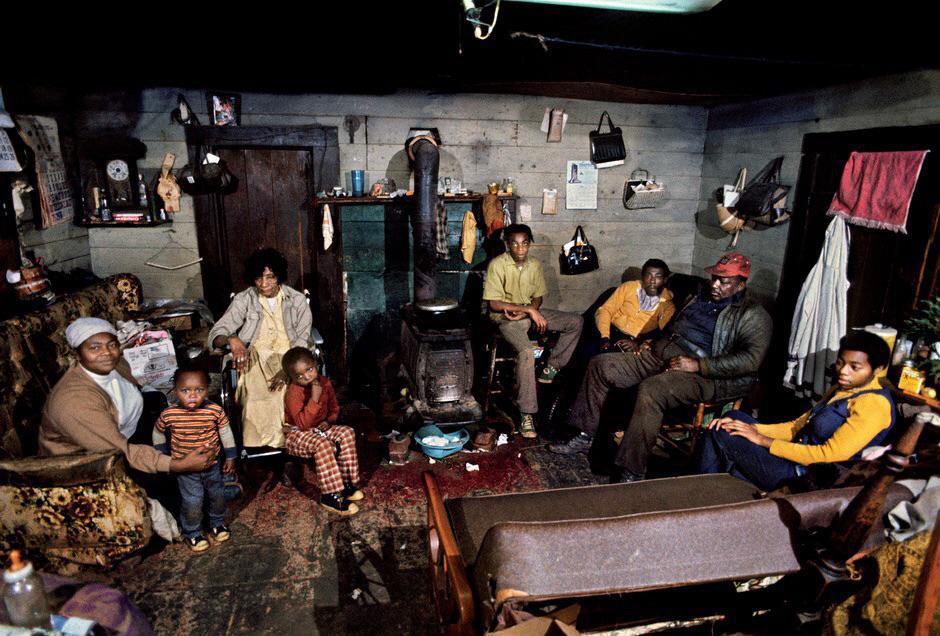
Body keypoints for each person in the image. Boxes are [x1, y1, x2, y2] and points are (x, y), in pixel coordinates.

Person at [550, 252, 772, 483]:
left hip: (706, 375)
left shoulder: (754, 316)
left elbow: (750, 361)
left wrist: (699, 365)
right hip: (661, 355)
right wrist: (650, 342)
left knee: (652, 389)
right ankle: (585, 434)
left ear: (740, 284)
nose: (715, 284)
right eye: (714, 277)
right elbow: (673, 326)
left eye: (723, 281)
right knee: (601, 364)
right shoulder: (700, 297)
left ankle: (633, 468)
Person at [697, 331, 895, 491]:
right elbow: (797, 426)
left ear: (878, 369)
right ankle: (716, 484)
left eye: (855, 367)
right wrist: (753, 428)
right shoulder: (842, 389)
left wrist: (761, 439)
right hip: (794, 458)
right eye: (841, 362)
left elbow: (829, 456)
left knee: (722, 433)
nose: (843, 371)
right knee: (731, 418)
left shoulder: (874, 405)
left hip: (807, 478)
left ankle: (702, 488)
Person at [39, 317, 215, 476]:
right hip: (90, 463)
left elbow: (138, 389)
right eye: (94, 347)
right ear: (77, 354)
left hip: (130, 431)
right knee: (168, 474)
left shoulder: (116, 365)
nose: (106, 352)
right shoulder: (75, 401)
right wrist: (177, 465)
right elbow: (120, 452)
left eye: (111, 345)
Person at [482, 224, 583, 438]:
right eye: (515, 244)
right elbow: (493, 304)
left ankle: (552, 367)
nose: (520, 248)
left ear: (529, 244)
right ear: (507, 244)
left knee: (575, 321)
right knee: (526, 352)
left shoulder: (535, 265)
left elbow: (538, 297)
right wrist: (525, 310)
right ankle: (526, 413)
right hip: (506, 319)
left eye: (525, 243)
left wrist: (532, 309)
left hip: (529, 312)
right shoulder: (497, 265)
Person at [208, 248, 312, 449]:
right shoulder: (244, 299)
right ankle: (261, 450)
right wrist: (232, 339)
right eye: (258, 278)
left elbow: (303, 337)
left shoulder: (297, 300)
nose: (264, 284)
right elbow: (216, 334)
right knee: (254, 401)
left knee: (286, 397)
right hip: (255, 358)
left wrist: (288, 370)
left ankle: (289, 448)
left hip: (291, 357)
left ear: (279, 276)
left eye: (270, 277)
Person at [153, 369, 237, 552]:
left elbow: (225, 433)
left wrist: (230, 456)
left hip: (212, 464)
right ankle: (192, 532)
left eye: (199, 390)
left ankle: (217, 523)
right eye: (185, 391)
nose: (192, 396)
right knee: (193, 500)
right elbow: (158, 432)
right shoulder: (169, 414)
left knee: (217, 495)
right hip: (186, 469)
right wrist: (161, 455)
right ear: (176, 391)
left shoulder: (214, 410)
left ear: (207, 390)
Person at [282, 347, 362, 516]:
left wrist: (329, 421)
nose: (307, 376)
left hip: (319, 428)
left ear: (315, 364)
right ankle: (330, 496)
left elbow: (334, 408)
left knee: (347, 432)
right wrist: (314, 398)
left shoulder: (325, 382)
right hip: (297, 434)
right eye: (299, 376)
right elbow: (303, 424)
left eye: (309, 369)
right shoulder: (293, 393)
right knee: (322, 444)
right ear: (292, 378)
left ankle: (347, 485)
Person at [592, 259, 675, 356]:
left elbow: (663, 334)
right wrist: (605, 337)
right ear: (643, 277)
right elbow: (606, 310)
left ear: (664, 280)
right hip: (608, 329)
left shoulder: (667, 306)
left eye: (658, 276)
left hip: (635, 340)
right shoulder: (629, 287)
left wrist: (638, 343)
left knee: (609, 359)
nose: (652, 280)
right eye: (649, 275)